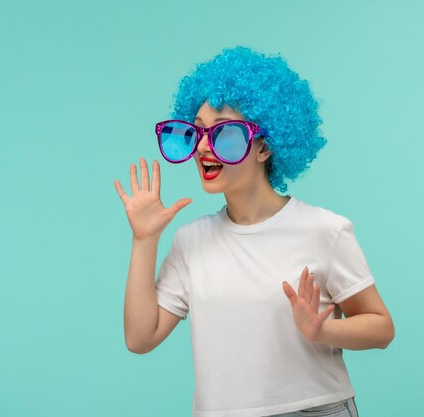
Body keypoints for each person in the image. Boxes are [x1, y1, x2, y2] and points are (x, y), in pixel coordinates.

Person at [113, 46, 395, 417]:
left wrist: (323, 332)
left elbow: (381, 327)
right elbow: (139, 338)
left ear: (264, 147)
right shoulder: (191, 241)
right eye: (197, 131)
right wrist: (144, 239)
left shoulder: (325, 230)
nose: (202, 146)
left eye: (223, 132)